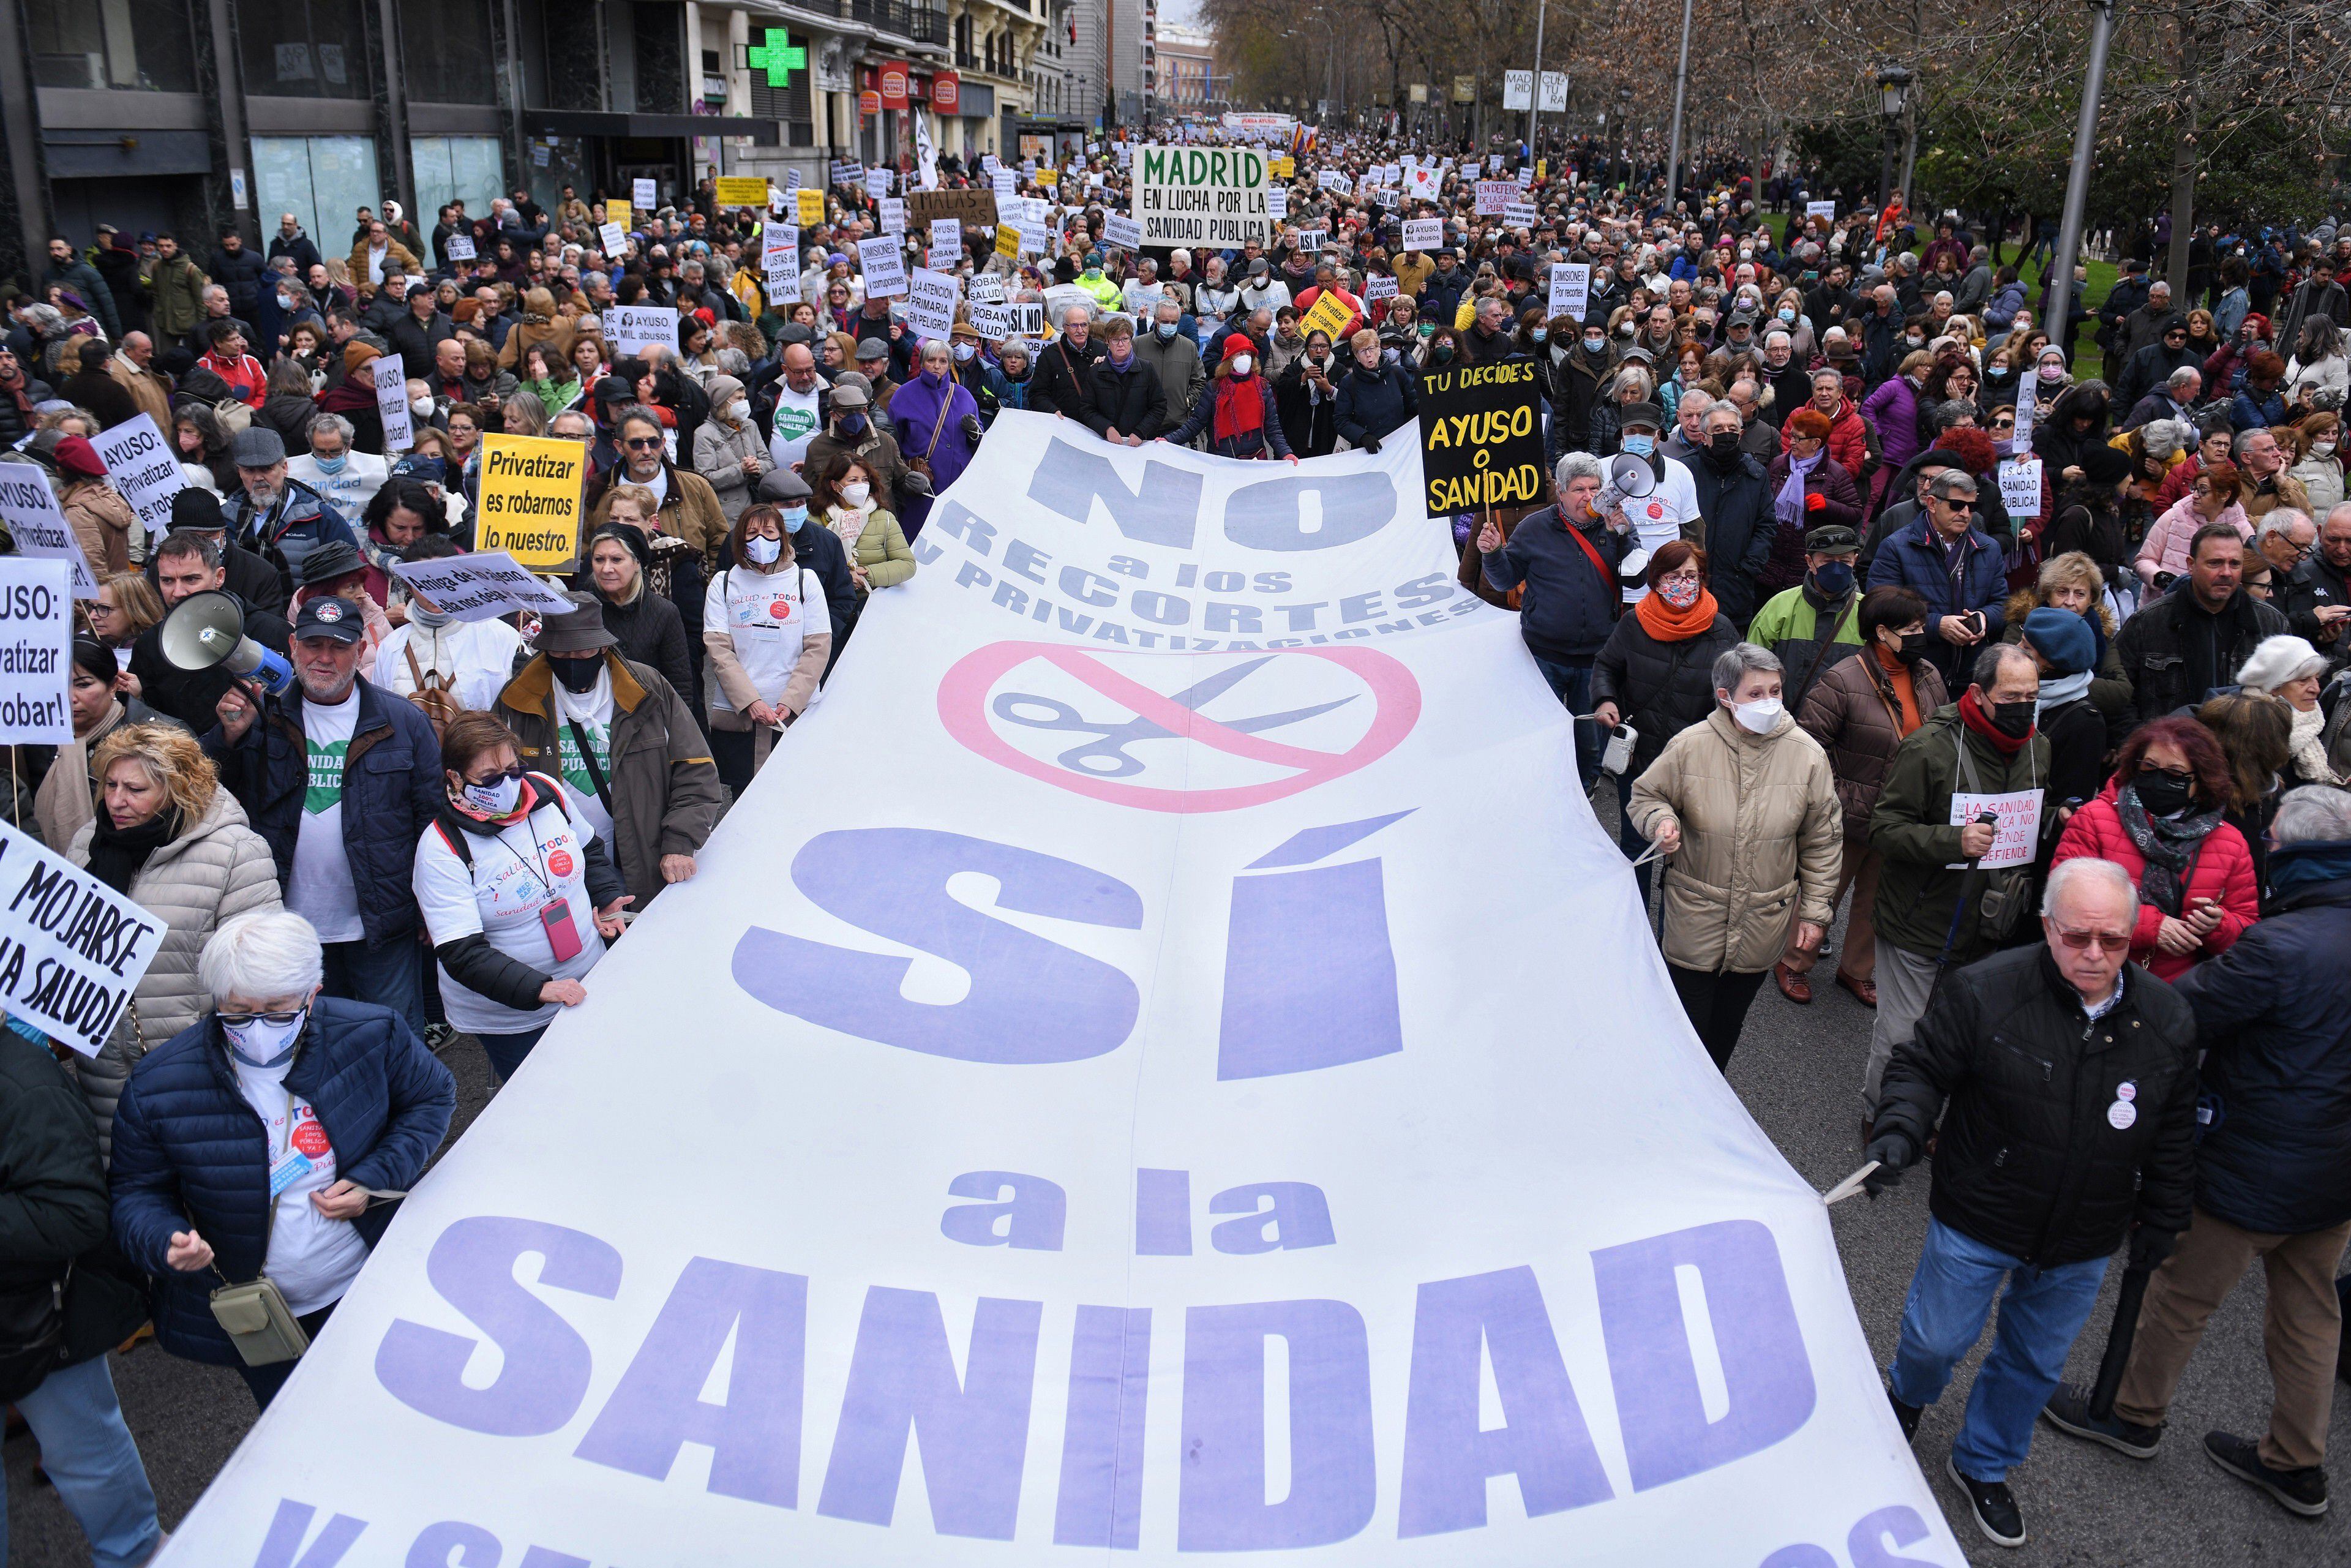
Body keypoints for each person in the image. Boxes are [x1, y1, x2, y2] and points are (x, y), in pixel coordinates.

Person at [1865, 857, 2198, 1549]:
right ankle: (1905, 1398)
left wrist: (2166, 1216)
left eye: (2113, 939)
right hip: (1982, 1209)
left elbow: (2171, 1130)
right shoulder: (1986, 989)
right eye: (2078, 937)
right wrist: (1900, 1127)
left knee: (2033, 1363)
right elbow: (1922, 1066)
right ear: (2047, 924)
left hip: (2083, 1235)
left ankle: (1984, 1461)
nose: (2096, 954)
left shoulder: (2166, 1019)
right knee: (1935, 1339)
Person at [2042, 786, 2351, 1519]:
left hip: (2252, 1159)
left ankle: (2130, 1413)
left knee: (2179, 1293)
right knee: (2311, 1311)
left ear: (2294, 854)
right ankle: (2298, 1460)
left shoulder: (2278, 947)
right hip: (2337, 1168)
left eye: (2273, 841)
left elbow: (2182, 1010)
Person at [108, 909, 454, 1409]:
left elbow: (432, 1096)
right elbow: (136, 1192)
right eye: (238, 1012)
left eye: (277, 1011)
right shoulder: (159, 1085)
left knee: (408, 1407)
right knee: (302, 1429)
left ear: (313, 994)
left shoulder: (371, 1033)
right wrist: (164, 1240)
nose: (257, 1027)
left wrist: (374, 1178)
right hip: (264, 1316)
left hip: (369, 1279)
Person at [206, 595, 444, 1035]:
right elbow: (209, 793)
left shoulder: (405, 722)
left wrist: (432, 907)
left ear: (360, 649)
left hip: (382, 924)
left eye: (338, 646)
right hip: (286, 924)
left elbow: (432, 822)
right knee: (309, 1042)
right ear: (294, 646)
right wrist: (228, 738)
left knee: (392, 1040)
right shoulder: (262, 716)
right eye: (314, 645)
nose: (324, 658)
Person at [66, 719, 282, 1160]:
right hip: (103, 1071)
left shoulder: (236, 852)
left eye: (135, 789)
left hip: (197, 1073)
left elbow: (261, 976)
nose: (116, 801)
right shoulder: (88, 843)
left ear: (177, 789)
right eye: (109, 784)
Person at [1626, 643, 1840, 1070]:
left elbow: (1822, 839)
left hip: (1763, 923)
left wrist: (1816, 913)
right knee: (1683, 1032)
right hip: (1695, 918)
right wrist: (1661, 821)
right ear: (1726, 697)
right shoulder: (1690, 746)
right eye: (1756, 693)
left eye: (1776, 691)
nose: (1769, 703)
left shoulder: (1807, 755)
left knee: (1725, 1031)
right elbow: (1645, 796)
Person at [0, 1011, 161, 1568]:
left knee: (86, 1459)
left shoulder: (26, 1086)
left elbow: (76, 1214)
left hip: (42, 1316)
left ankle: (137, 1556)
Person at [1862, 643, 2050, 1119]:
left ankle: (1925, 1113)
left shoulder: (2038, 748)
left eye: (2032, 695)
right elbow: (1885, 828)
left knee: (1955, 1034)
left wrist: (2053, 819)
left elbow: (2026, 815)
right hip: (1919, 920)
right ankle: (1885, 1118)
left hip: (1987, 925)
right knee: (1904, 1033)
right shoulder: (1929, 748)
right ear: (1979, 694)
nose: (2023, 708)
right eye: (2011, 697)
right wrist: (1954, 842)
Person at [414, 711, 629, 1082]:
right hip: (513, 1018)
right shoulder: (440, 849)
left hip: (589, 980)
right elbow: (461, 953)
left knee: (607, 1078)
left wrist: (607, 900)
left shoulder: (546, 791)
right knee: (550, 1099)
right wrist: (541, 989)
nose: (509, 785)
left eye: (514, 770)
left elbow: (589, 849)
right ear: (454, 778)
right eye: (490, 778)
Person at [493, 593, 721, 912]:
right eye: (562, 651)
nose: (574, 659)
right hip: (555, 869)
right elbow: (493, 787)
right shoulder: (517, 698)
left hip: (645, 859)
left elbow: (696, 769)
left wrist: (680, 843)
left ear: (603, 646)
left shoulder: (647, 688)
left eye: (585, 649)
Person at [1784, 586, 1946, 1007]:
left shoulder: (1928, 674)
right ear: (1881, 632)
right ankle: (1793, 961)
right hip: (1849, 814)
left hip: (1904, 815)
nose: (1920, 634)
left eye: (1920, 626)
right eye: (1910, 628)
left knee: (1879, 898)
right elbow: (1808, 748)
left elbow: (1943, 736)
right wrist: (1838, 798)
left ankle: (1856, 970)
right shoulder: (1842, 680)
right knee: (1824, 892)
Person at [2050, 716, 2258, 980]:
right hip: (2097, 974)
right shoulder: (2093, 820)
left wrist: (2218, 925)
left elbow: (2246, 928)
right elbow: (2065, 902)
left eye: (2174, 774)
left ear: (2201, 782)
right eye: (2149, 768)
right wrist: (2151, 927)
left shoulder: (2230, 843)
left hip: (2180, 989)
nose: (2159, 779)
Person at [1477, 453, 1640, 788]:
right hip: (1544, 655)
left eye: (1595, 487)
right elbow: (1505, 580)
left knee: (1590, 739)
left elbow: (1637, 578)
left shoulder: (1616, 522)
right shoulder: (1535, 527)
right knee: (1542, 732)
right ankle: (1544, 792)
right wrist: (1492, 554)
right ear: (1561, 492)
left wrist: (1622, 536)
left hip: (1597, 657)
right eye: (1580, 489)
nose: (1589, 496)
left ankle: (1586, 791)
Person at [1591, 543, 1742, 890]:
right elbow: (1606, 665)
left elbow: (1736, 690)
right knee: (1637, 849)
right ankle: (1636, 928)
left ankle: (1669, 940)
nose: (1683, 583)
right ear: (1657, 580)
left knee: (1683, 858)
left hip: (1696, 765)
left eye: (1691, 576)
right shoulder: (1634, 623)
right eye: (1673, 576)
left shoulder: (1721, 629)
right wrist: (1605, 700)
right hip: (1641, 761)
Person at [703, 504, 833, 793]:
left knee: (796, 795)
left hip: (795, 712)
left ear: (782, 537)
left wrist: (791, 700)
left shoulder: (805, 580)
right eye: (752, 533)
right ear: (740, 540)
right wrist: (751, 702)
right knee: (744, 796)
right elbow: (719, 650)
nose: (761, 539)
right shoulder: (723, 584)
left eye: (769, 531)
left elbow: (818, 646)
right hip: (740, 715)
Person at [2114, 523, 2289, 726]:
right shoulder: (2147, 623)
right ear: (2191, 565)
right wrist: (2142, 745)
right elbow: (2120, 700)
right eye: (2215, 563)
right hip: (2172, 750)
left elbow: (2288, 696)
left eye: (2235, 564)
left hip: (2242, 752)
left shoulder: (2272, 625)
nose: (2226, 573)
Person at [129, 528, 293, 732]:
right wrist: (137, 699)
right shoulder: (151, 645)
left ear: (219, 577)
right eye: (168, 581)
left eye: (191, 579)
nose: (178, 592)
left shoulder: (269, 631)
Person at [1867, 468, 2011, 694]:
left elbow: (2003, 604)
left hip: (1972, 672)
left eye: (1971, 507)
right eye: (1956, 505)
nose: (1965, 513)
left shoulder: (1989, 548)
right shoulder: (1896, 547)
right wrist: (1937, 625)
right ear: (1932, 504)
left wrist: (1984, 618)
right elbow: (1880, 607)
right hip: (1916, 671)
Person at [373, 540, 525, 716]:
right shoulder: (392, 645)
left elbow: (525, 711)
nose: (436, 591)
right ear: (410, 586)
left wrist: (525, 681)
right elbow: (381, 714)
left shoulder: (502, 636)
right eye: (425, 582)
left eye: (443, 579)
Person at [1745, 523, 1865, 715]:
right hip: (1784, 722)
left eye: (1845, 560)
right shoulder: (1780, 607)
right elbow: (1750, 668)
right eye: (1827, 561)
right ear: (1810, 562)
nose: (1837, 568)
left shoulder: (1866, 612)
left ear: (1855, 561)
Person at [579, 514, 694, 703]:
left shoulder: (663, 613)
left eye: (617, 560)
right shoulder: (580, 610)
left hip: (648, 721)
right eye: (599, 560)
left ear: (636, 564)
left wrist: (677, 730)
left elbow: (680, 685)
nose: (606, 569)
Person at [1161, 335, 1297, 461]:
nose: (1246, 358)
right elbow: (1196, 424)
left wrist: (1286, 453)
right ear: (1229, 359)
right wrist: (1169, 440)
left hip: (1255, 460)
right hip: (1221, 461)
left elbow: (1273, 428)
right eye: (1240, 354)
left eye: (1249, 354)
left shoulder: (1262, 386)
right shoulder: (1214, 388)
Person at [2233, 634, 2342, 786]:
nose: (2316, 689)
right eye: (2303, 680)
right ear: (2274, 687)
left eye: (2316, 679)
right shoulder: (2249, 730)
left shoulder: (2309, 721)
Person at [2137, 461, 2249, 589]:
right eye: (2195, 488)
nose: (2195, 496)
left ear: (2225, 496)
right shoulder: (2174, 516)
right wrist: (2162, 579)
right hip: (2167, 602)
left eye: (2203, 491)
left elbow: (2253, 572)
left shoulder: (2241, 527)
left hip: (2218, 604)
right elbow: (2144, 560)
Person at [691, 373, 771, 523]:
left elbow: (768, 461)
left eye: (744, 398)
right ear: (723, 402)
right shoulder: (704, 434)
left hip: (758, 506)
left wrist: (757, 467)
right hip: (728, 514)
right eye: (739, 398)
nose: (744, 402)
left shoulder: (750, 425)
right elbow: (705, 478)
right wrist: (741, 470)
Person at [1079, 318, 1169, 448]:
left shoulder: (1146, 369)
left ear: (1131, 340)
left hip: (1139, 445)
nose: (1120, 344)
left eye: (1125, 339)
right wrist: (1107, 429)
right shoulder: (1095, 372)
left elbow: (1159, 406)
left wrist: (1140, 432)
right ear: (1107, 342)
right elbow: (1087, 409)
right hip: (1105, 444)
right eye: (1115, 340)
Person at [1333, 327, 1416, 452]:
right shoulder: (1349, 382)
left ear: (1379, 349)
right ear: (1356, 356)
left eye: (1371, 349)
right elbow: (1341, 420)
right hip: (1369, 450)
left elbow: (1412, 405)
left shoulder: (1398, 374)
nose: (1368, 355)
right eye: (1362, 351)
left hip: (1399, 447)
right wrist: (1362, 436)